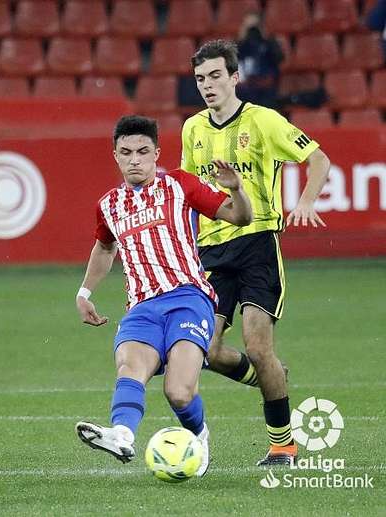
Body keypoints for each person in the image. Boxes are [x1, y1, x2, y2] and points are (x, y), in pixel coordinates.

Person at [74, 115, 252, 477]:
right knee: (129, 367)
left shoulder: (181, 186)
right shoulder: (108, 205)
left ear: (156, 153)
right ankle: (122, 435)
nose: (135, 159)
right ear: (116, 156)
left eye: (142, 151)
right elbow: (105, 248)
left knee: (179, 392)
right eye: (126, 152)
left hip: (189, 299)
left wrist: (236, 189)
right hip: (141, 307)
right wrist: (84, 292)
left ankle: (199, 437)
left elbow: (241, 218)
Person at [181, 40, 331, 466]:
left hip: (258, 243)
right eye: (199, 79)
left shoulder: (264, 121)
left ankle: (282, 444)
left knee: (259, 345)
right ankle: (271, 378)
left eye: (214, 76)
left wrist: (305, 201)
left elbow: (318, 159)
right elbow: (189, 193)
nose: (207, 85)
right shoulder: (193, 129)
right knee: (205, 350)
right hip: (211, 249)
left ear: (233, 77)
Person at [236, 12, 283, 109]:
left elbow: (279, 58)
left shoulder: (269, 45)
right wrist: (241, 39)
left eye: (255, 27)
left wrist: (265, 38)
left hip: (265, 93)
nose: (252, 31)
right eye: (249, 28)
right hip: (243, 93)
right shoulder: (237, 47)